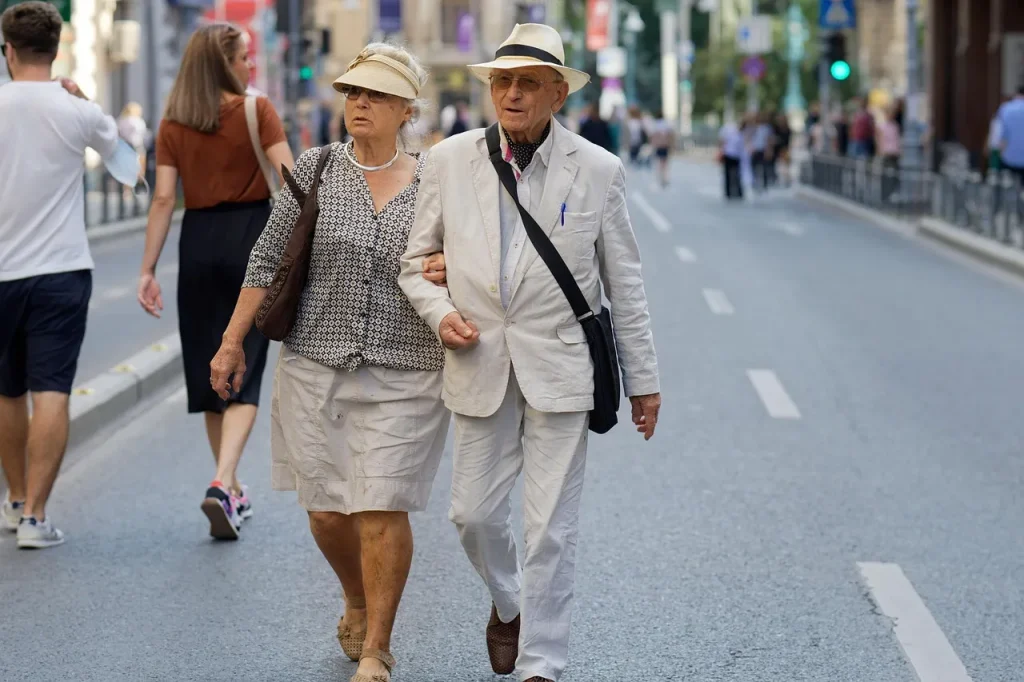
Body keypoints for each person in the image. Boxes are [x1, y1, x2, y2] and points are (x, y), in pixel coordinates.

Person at [399, 23, 662, 682]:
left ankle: (541, 661)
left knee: (551, 528)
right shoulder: (448, 160)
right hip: (478, 360)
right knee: (471, 516)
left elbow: (625, 284)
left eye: (527, 83)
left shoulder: (598, 170)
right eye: (502, 82)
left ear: (557, 94)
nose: (511, 94)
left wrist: (644, 381)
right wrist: (441, 313)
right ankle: (511, 602)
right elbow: (414, 263)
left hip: (562, 366)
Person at [210, 42, 448, 682]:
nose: (360, 103)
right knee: (325, 511)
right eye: (353, 92)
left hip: (407, 364)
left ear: (407, 108)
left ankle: (377, 647)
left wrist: (448, 264)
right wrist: (232, 342)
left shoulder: (437, 180)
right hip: (314, 361)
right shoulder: (315, 169)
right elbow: (267, 260)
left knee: (381, 504)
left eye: (376, 95)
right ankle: (356, 595)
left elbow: (471, 255)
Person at [138, 22, 295, 540]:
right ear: (225, 64)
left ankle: (229, 487)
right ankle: (224, 482)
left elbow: (164, 198)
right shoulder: (257, 110)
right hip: (252, 239)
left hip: (197, 243)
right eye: (243, 57)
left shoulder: (173, 123)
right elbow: (292, 182)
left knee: (213, 368)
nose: (249, 65)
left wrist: (148, 269)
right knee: (245, 365)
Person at [0, 1, 128, 549]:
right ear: (55, 51)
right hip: (62, 270)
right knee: (50, 389)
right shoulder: (76, 109)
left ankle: (13, 501)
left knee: (7, 391)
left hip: (2, 272)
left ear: (8, 50)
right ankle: (36, 518)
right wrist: (87, 104)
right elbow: (127, 164)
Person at [648, 108, 675, 188]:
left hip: (659, 146)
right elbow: (671, 135)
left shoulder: (655, 124)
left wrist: (653, 145)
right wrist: (671, 145)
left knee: (659, 162)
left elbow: (652, 136)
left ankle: (661, 177)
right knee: (665, 163)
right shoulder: (666, 124)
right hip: (665, 145)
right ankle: (665, 177)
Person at [719, 118, 745, 200]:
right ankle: (728, 193)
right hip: (728, 155)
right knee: (728, 174)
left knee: (738, 174)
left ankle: (739, 192)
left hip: (737, 156)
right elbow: (723, 141)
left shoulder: (742, 132)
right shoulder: (729, 130)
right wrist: (722, 151)